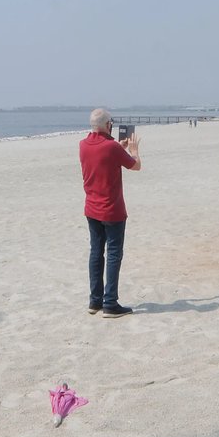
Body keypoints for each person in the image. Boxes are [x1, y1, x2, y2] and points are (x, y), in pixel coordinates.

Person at [79, 108, 141, 318]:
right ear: (107, 125)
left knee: (96, 253)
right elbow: (136, 166)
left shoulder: (84, 145)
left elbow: (105, 155)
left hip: (92, 208)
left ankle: (95, 301)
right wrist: (133, 150)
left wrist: (118, 147)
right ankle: (110, 303)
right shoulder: (111, 147)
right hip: (111, 209)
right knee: (114, 254)